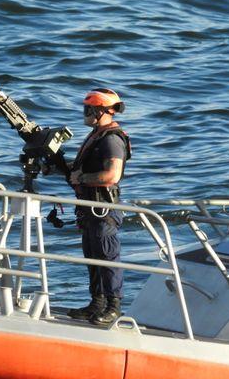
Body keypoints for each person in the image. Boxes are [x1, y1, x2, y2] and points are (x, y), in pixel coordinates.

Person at [67, 88, 131, 326]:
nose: (85, 113)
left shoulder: (112, 140)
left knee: (107, 256)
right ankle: (97, 302)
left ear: (101, 111)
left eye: (88, 109)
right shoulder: (97, 134)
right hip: (89, 209)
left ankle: (113, 306)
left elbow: (112, 175)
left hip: (103, 209)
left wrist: (81, 179)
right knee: (93, 256)